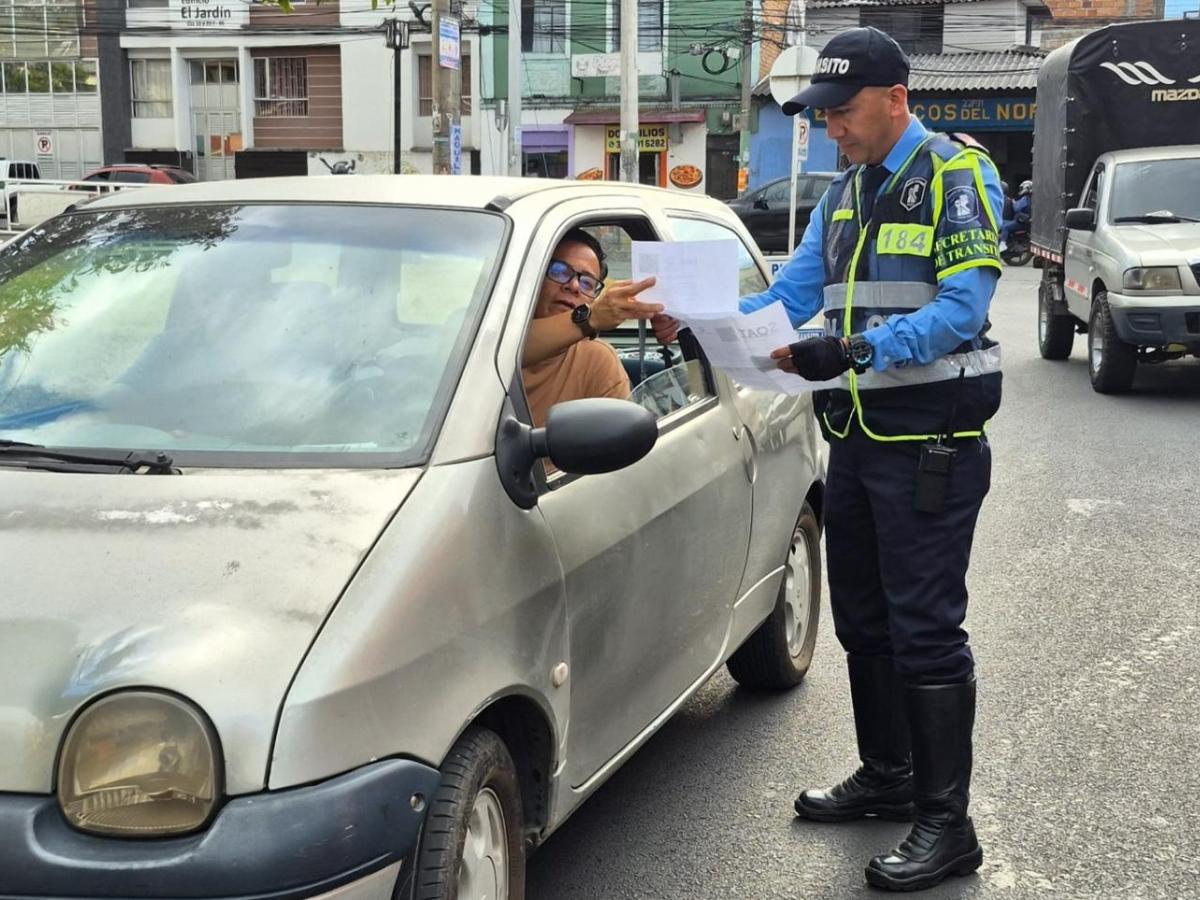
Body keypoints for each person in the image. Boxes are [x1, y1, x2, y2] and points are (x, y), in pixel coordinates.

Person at [657, 26, 1002, 892]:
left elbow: (963, 309)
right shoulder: (844, 191)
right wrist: (700, 319)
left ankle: (946, 824)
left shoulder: (955, 178)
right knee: (863, 621)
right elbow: (789, 293)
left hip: (931, 441)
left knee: (926, 631)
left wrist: (850, 351)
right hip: (855, 437)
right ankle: (888, 777)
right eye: (825, 114)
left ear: (896, 99)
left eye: (844, 112)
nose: (835, 128)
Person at [522, 228, 661, 431]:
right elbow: (503, 350)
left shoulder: (596, 358)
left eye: (587, 282)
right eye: (560, 272)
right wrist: (591, 317)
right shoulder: (479, 336)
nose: (574, 285)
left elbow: (618, 445)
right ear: (535, 276)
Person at [1001, 180, 1032, 246]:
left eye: (1022, 188)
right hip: (1024, 221)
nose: (1021, 190)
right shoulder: (1029, 198)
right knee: (1002, 222)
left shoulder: (1025, 198)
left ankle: (1002, 244)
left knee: (1005, 227)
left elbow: (1016, 208)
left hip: (1022, 222)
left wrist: (1014, 202)